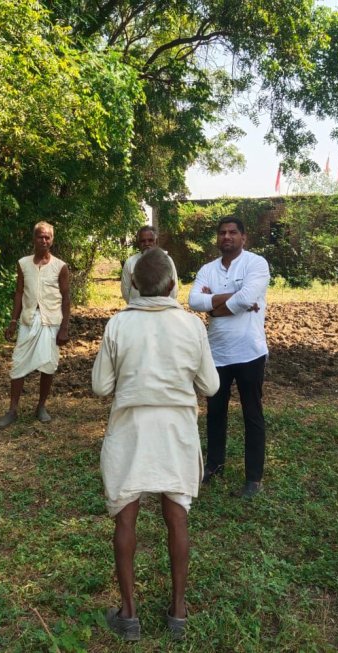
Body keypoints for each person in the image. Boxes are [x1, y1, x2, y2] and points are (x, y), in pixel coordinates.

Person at [93, 248, 219, 642]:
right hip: (175, 431)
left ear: (133, 285)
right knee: (176, 516)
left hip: (130, 429)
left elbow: (101, 386)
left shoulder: (118, 325)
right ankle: (178, 611)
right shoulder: (192, 325)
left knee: (125, 518)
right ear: (171, 284)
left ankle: (129, 614)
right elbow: (211, 386)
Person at [188, 216, 270, 499]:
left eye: (233, 232)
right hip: (217, 353)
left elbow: (248, 298)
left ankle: (253, 478)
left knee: (252, 414)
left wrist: (214, 306)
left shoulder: (256, 264)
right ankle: (214, 464)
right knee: (215, 413)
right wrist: (232, 298)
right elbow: (194, 301)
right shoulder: (207, 269)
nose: (227, 237)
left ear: (243, 237)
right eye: (222, 233)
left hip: (249, 352)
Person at [0, 221, 71, 428]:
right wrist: (13, 321)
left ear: (52, 240)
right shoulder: (23, 264)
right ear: (34, 239)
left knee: (48, 365)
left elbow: (66, 297)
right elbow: (19, 292)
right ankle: (12, 410)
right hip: (28, 320)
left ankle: (41, 406)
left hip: (51, 322)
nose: (44, 240)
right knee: (18, 363)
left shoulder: (60, 266)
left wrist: (64, 327)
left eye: (47, 237)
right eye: (40, 236)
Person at [120, 225, 179, 303]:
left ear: (156, 241)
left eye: (150, 240)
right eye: (143, 241)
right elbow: (125, 292)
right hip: (138, 310)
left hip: (162, 309)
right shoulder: (130, 262)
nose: (147, 243)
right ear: (138, 243)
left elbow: (174, 291)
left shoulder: (167, 260)